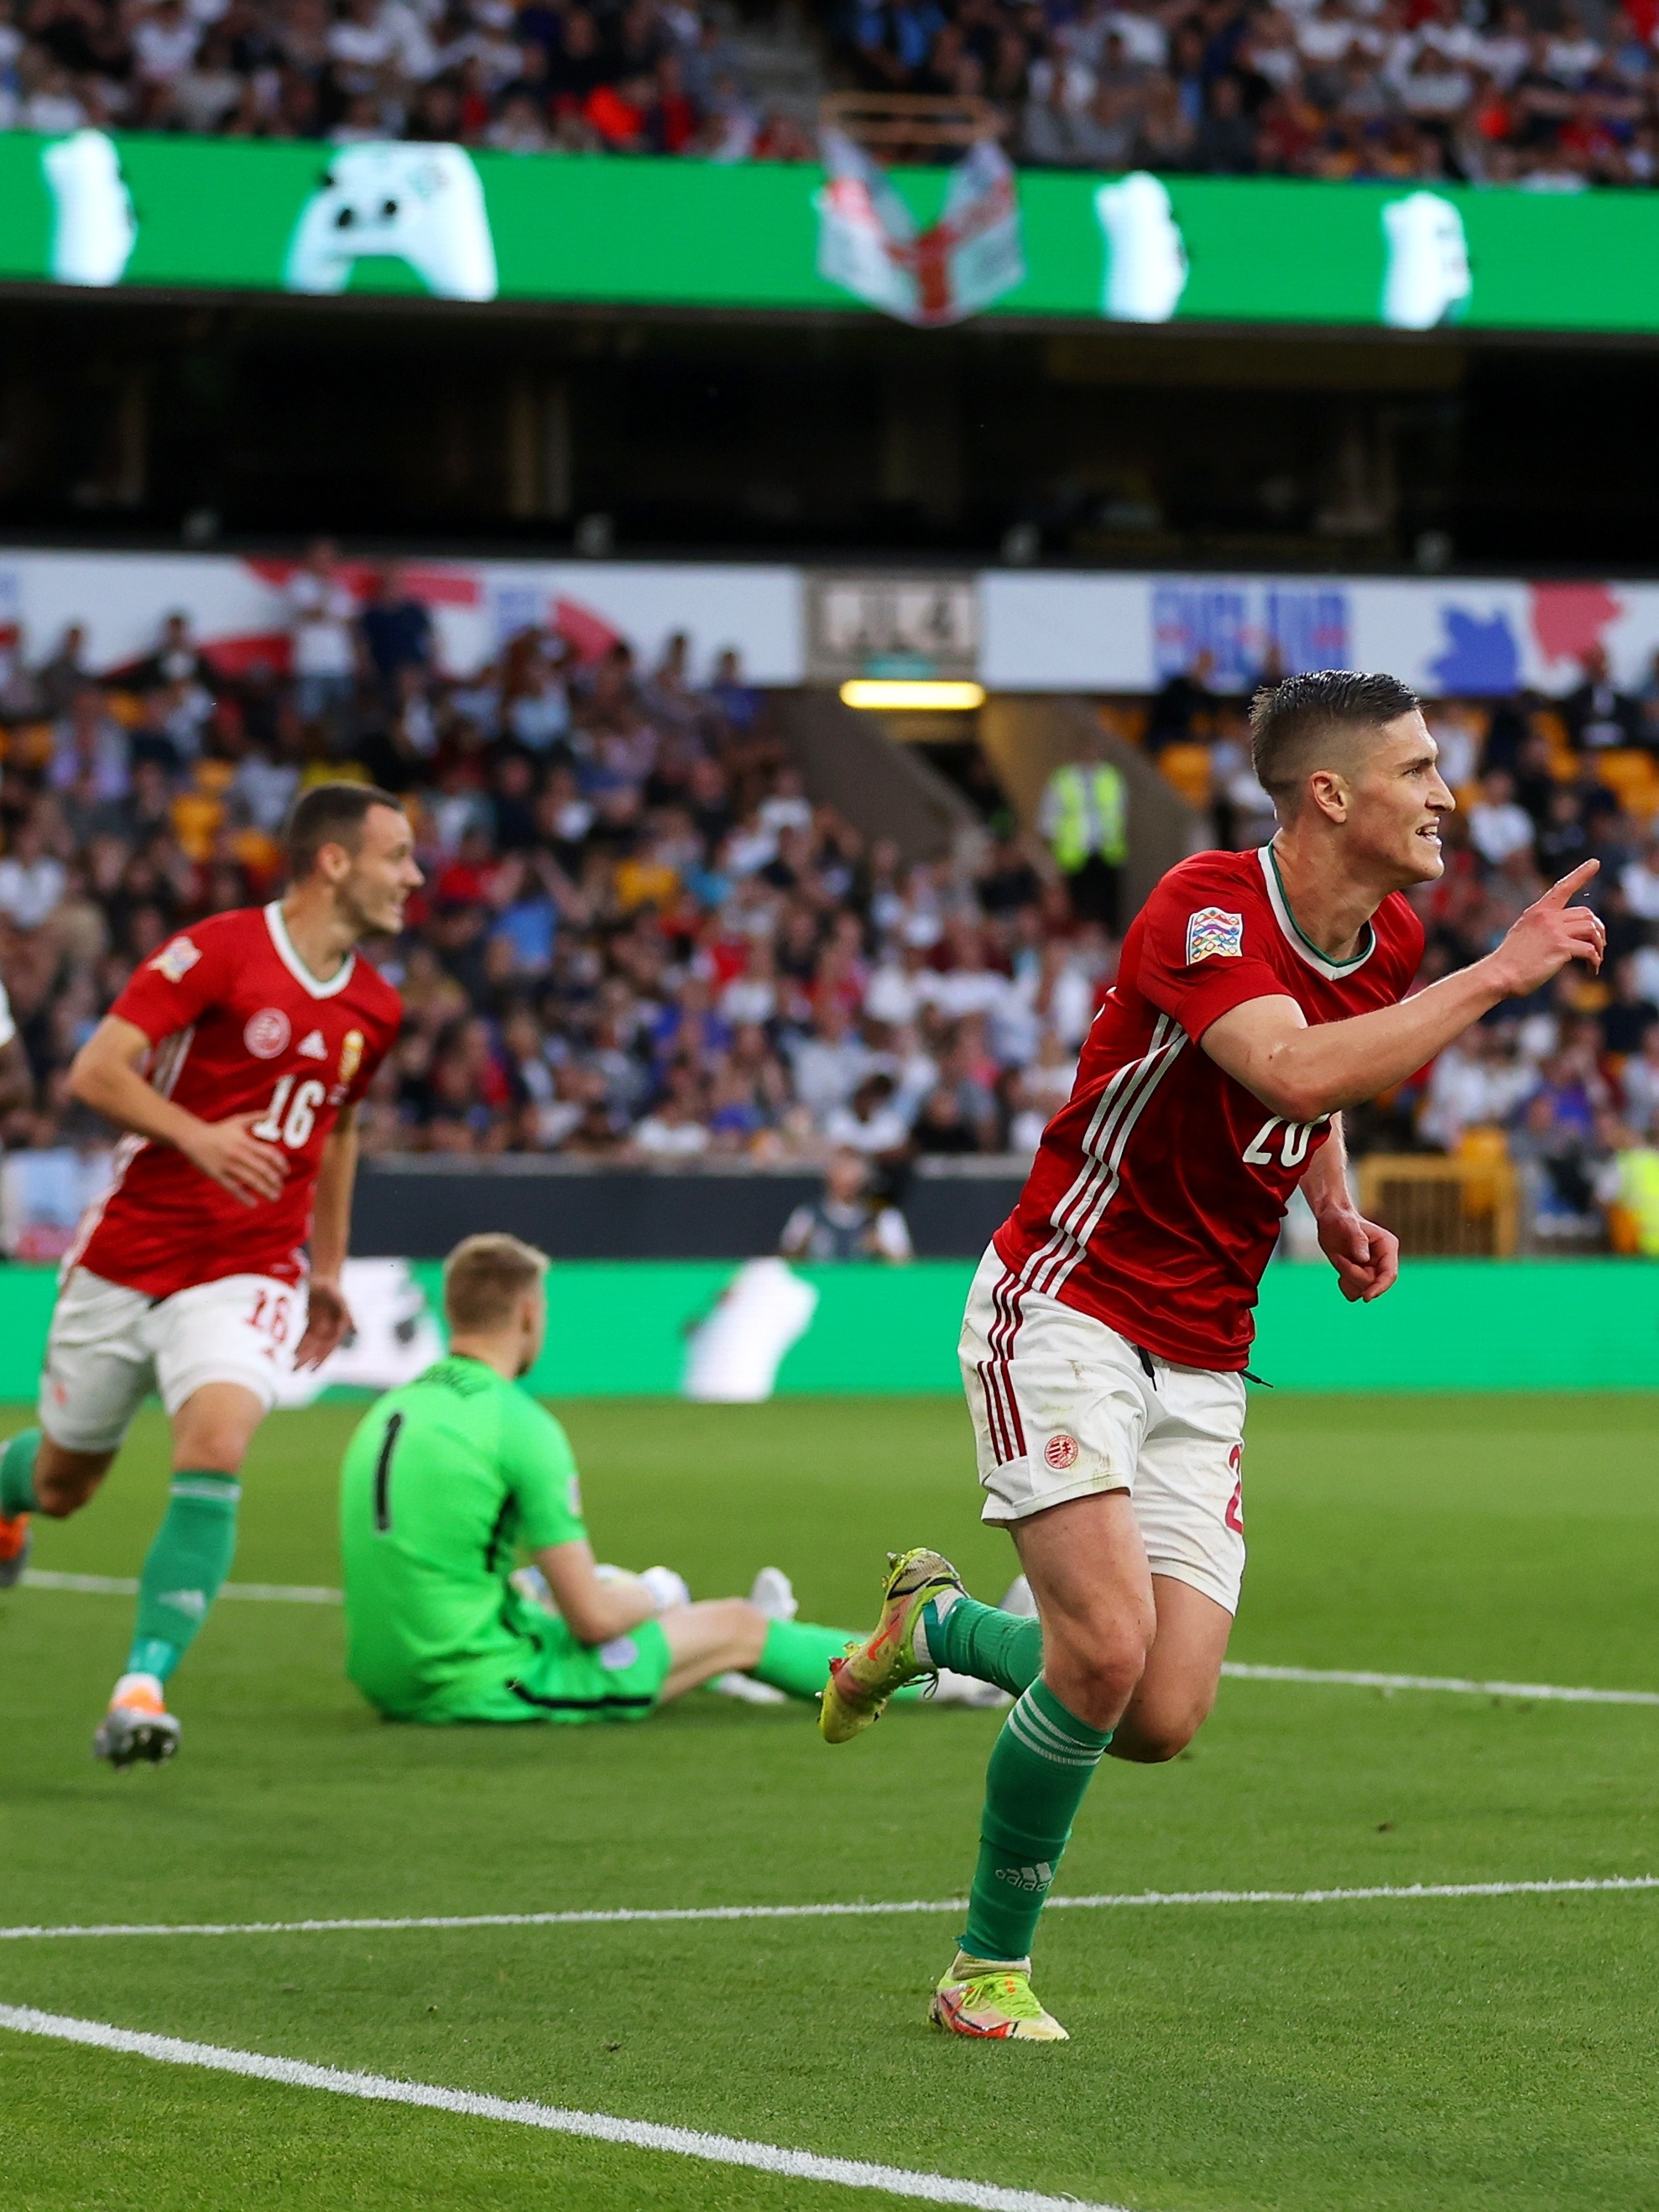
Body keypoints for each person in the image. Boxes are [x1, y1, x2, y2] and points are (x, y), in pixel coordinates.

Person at [817, 669, 1605, 2042]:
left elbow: (1325, 1072)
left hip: (1203, 1353)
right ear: (1330, 794)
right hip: (1065, 1306)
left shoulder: (1390, 930)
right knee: (1106, 1647)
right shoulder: (1200, 905)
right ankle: (981, 1970)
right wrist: (1503, 971)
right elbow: (1289, 1068)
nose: (1443, 792)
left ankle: (934, 1625)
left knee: (1160, 1713)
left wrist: (1333, 1204)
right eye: (1417, 769)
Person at [0, 783, 418, 1766]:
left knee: (218, 1442)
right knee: (66, 1481)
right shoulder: (216, 951)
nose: (415, 876)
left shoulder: (376, 1005)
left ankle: (141, 1685)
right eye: (397, 855)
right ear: (333, 862)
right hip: (127, 1255)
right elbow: (95, 1071)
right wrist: (199, 1137)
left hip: (250, 1266)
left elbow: (340, 1126)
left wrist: (325, 1265)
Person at [338, 1233, 920, 1725]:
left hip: (385, 1677)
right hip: (475, 1684)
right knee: (739, 1625)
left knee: (546, 1586)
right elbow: (592, 1622)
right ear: (527, 1314)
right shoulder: (518, 1423)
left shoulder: (391, 1409)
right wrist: (659, 1591)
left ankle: (708, 1659)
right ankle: (932, 1675)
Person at [1036, 732, 1128, 931]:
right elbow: (1048, 823)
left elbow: (1121, 816)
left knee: (1109, 911)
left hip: (1107, 854)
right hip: (1075, 858)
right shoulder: (1062, 780)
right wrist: (1055, 858)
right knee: (1080, 910)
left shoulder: (1112, 778)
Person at [779, 1146, 911, 1263]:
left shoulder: (883, 1217)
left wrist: (882, 1247)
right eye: (842, 1180)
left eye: (853, 1182)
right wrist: (800, 1248)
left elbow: (906, 1265)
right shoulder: (807, 1215)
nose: (848, 1188)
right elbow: (785, 1259)